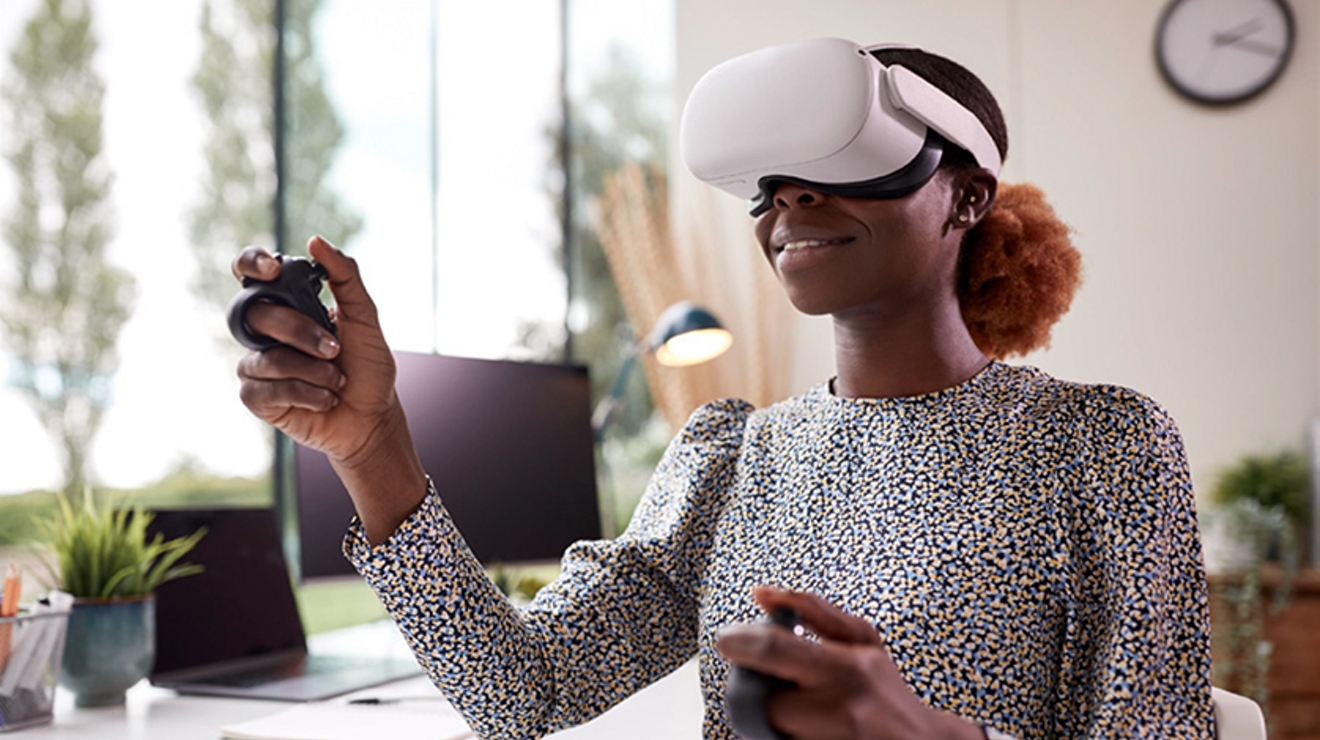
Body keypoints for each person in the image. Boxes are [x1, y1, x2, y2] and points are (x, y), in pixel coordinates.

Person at [233, 38, 1213, 740]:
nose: (791, 199)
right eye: (770, 182)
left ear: (964, 195)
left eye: (847, 162)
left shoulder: (1099, 445)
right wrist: (373, 445)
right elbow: (520, 692)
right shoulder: (734, 455)